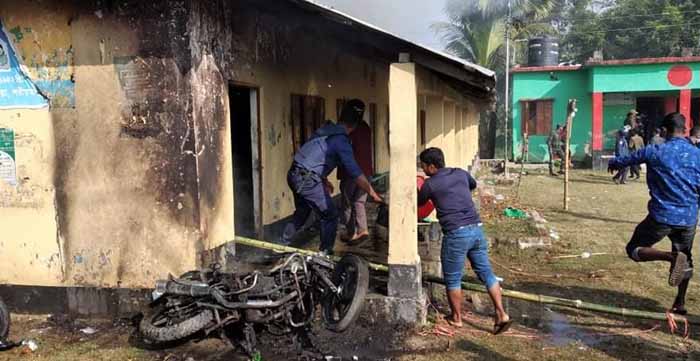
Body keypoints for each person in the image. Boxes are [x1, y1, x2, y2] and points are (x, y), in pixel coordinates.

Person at [608, 113, 699, 315]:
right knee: (687, 257)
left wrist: (614, 163)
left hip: (662, 216)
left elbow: (626, 159)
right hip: (689, 217)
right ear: (684, 130)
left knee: (634, 248)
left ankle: (670, 256)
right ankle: (680, 303)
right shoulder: (697, 154)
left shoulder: (655, 150)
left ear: (664, 131)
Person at [417, 147, 511, 334]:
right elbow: (472, 185)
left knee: (452, 278)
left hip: (455, 233)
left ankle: (457, 318)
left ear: (432, 167)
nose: (423, 170)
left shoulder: (430, 184)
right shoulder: (460, 173)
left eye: (424, 166)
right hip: (476, 229)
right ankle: (502, 314)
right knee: (487, 273)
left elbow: (419, 202)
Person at [281, 99, 382, 255]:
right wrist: (373, 194)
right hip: (307, 179)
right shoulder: (341, 141)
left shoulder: (326, 130)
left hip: (294, 174)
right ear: (355, 126)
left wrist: (323, 179)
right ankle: (325, 254)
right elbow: (355, 172)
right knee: (330, 214)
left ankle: (279, 245)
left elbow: (314, 156)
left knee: (302, 212)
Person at [338, 112, 373, 245]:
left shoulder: (348, 130)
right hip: (367, 171)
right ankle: (363, 230)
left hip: (351, 173)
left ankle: (350, 232)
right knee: (359, 202)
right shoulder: (366, 127)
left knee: (347, 203)